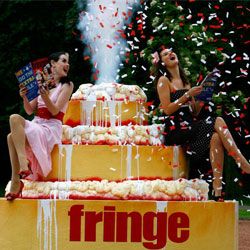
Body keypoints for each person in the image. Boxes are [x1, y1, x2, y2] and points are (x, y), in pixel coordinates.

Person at [152, 47, 250, 201]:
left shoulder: (186, 82)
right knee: (217, 120)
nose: (170, 53)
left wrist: (203, 97)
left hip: (191, 127)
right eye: (165, 54)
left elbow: (194, 112)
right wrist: (187, 95)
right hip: (176, 131)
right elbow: (167, 110)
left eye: (171, 51)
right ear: (162, 63)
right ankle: (241, 162)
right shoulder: (163, 81)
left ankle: (217, 192)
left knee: (216, 138)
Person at [5, 51, 74, 201]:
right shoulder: (42, 83)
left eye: (67, 61)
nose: (67, 64)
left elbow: (55, 110)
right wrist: (24, 96)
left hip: (50, 127)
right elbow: (30, 110)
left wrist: (44, 96)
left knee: (13, 122)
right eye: (63, 61)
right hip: (37, 123)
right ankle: (18, 178)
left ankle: (22, 170)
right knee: (11, 135)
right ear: (53, 64)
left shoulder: (67, 85)